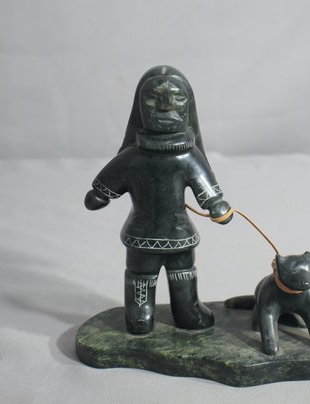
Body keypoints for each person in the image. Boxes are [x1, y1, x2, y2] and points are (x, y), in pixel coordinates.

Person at [84, 66, 232, 334]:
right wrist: (99, 194)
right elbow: (103, 188)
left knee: (183, 274)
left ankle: (187, 310)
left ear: (188, 109)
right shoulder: (132, 158)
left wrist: (215, 205)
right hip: (143, 234)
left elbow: (209, 193)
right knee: (141, 276)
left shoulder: (188, 157)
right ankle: (140, 313)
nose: (165, 106)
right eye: (154, 98)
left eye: (176, 98)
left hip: (177, 234)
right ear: (140, 109)